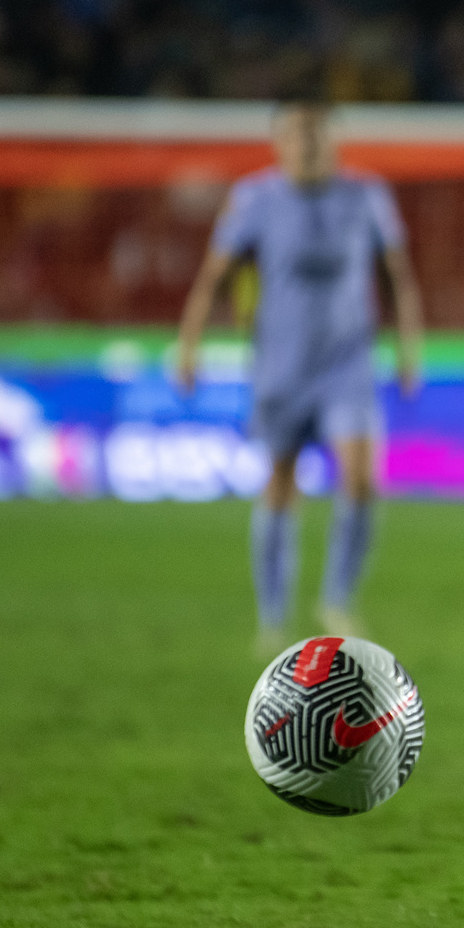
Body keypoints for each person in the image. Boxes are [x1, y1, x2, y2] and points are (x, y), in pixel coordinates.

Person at [176, 100, 424, 652]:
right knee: (280, 481)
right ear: (278, 143)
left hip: (349, 362)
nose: (307, 144)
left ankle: (337, 598)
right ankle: (272, 615)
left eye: (315, 134)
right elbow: (216, 273)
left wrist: (410, 348)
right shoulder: (254, 198)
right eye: (295, 135)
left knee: (361, 476)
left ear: (333, 140)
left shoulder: (366, 195)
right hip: (280, 365)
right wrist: (188, 345)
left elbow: (397, 276)